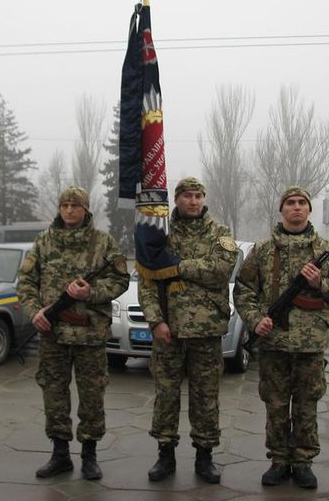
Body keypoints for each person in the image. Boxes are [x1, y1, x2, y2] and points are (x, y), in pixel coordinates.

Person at [234, 186, 329, 489]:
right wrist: (255, 319)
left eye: (302, 203)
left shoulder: (325, 250)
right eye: (290, 203)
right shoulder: (262, 250)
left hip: (310, 344)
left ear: (309, 210)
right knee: (275, 404)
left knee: (306, 404)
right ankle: (278, 461)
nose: (297, 208)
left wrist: (321, 283)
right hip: (274, 342)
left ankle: (302, 462)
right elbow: (244, 291)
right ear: (282, 210)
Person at [18, 186, 129, 481]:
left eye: (75, 206)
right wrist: (35, 313)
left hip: (89, 335)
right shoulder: (44, 242)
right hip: (52, 335)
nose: (69, 210)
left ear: (86, 209)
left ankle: (89, 455)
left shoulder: (102, 243)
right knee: (54, 394)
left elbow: (121, 279)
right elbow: (26, 282)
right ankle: (60, 454)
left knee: (92, 395)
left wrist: (92, 292)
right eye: (65, 205)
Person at [139, 177, 239, 484]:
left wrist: (178, 266)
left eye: (198, 196)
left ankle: (204, 456)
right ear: (178, 200)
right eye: (187, 196)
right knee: (166, 395)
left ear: (204, 198)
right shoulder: (161, 236)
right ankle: (165, 455)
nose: (193, 201)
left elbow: (220, 270)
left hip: (206, 332)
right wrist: (156, 320)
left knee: (205, 397)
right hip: (169, 331)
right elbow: (147, 280)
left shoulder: (219, 233)